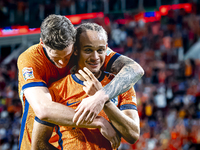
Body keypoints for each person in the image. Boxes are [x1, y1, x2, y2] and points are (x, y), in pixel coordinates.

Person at [18, 15, 143, 149]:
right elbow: (43, 109)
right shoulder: (31, 60)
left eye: (67, 56)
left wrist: (101, 97)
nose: (62, 63)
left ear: (74, 47)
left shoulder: (95, 56)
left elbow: (135, 69)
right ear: (42, 43)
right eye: (56, 57)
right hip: (35, 138)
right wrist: (99, 121)